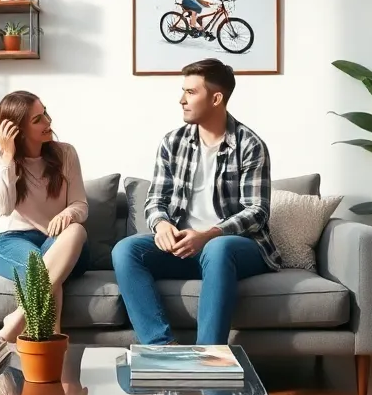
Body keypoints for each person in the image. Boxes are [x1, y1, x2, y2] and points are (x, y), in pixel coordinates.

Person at [113, 59, 281, 350]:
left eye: (190, 92)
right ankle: (163, 349)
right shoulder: (172, 142)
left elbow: (257, 211)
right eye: (183, 91)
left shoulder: (250, 145)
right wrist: (162, 224)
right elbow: (155, 200)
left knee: (218, 247)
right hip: (183, 246)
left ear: (216, 98)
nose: (181, 100)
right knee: (126, 249)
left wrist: (208, 235)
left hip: (235, 247)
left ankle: (208, 356)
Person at [0, 91, 90, 343]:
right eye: (37, 120)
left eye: (45, 113)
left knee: (77, 230)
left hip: (58, 241)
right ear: (17, 130)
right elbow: (3, 207)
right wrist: (9, 158)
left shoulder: (66, 154)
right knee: (40, 268)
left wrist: (68, 214)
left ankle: (18, 318)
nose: (47, 122)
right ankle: (53, 349)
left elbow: (80, 204)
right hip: (13, 240)